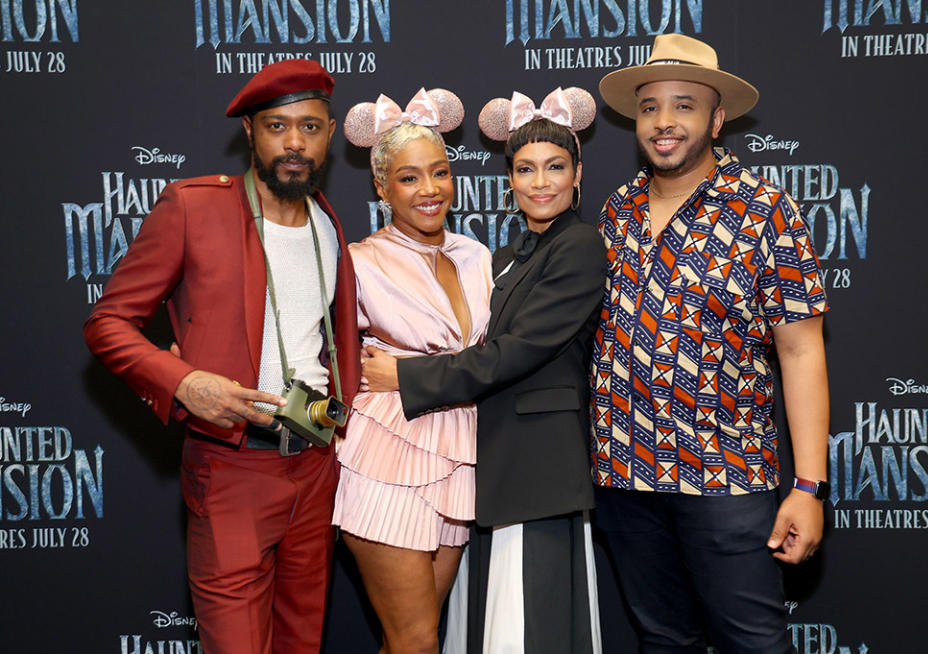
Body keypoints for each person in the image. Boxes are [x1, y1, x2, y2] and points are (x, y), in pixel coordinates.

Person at [82, 59, 360, 654]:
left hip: (315, 469)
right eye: (277, 126)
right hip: (231, 468)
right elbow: (107, 322)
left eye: (310, 127)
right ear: (250, 133)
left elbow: (332, 340)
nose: (294, 143)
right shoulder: (193, 208)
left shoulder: (329, 223)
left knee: (300, 643)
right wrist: (183, 382)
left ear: (331, 134)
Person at [590, 33, 831, 653]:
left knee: (754, 643)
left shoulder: (765, 211)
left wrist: (808, 487)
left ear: (717, 118)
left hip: (725, 478)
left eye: (684, 105)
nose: (664, 122)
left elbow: (802, 352)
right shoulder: (615, 213)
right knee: (662, 639)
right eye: (649, 108)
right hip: (624, 476)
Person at [362, 87, 605, 654]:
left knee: (531, 625)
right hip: (490, 463)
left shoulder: (579, 246)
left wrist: (405, 376)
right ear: (509, 181)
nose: (540, 182)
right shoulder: (508, 253)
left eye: (554, 167)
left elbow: (514, 353)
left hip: (537, 465)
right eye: (525, 169)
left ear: (577, 174)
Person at [334, 88, 493, 654]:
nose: (429, 190)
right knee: (418, 641)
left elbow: (489, 355)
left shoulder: (477, 256)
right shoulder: (356, 261)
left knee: (414, 642)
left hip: (457, 454)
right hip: (386, 453)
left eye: (440, 173)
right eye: (408, 178)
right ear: (381, 186)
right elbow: (318, 352)